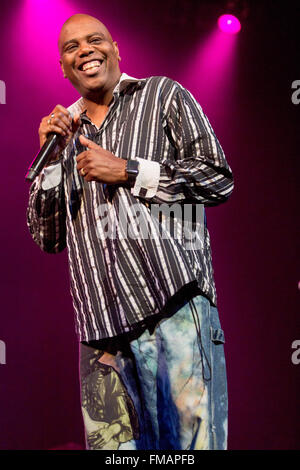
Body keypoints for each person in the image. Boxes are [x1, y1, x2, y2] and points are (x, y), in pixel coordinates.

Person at [27, 13, 234, 450]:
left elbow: (217, 178)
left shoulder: (163, 94)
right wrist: (48, 158)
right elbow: (47, 237)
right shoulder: (64, 137)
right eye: (71, 47)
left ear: (116, 48)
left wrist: (128, 170)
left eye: (94, 40)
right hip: (101, 335)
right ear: (63, 68)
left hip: (172, 311)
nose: (84, 50)